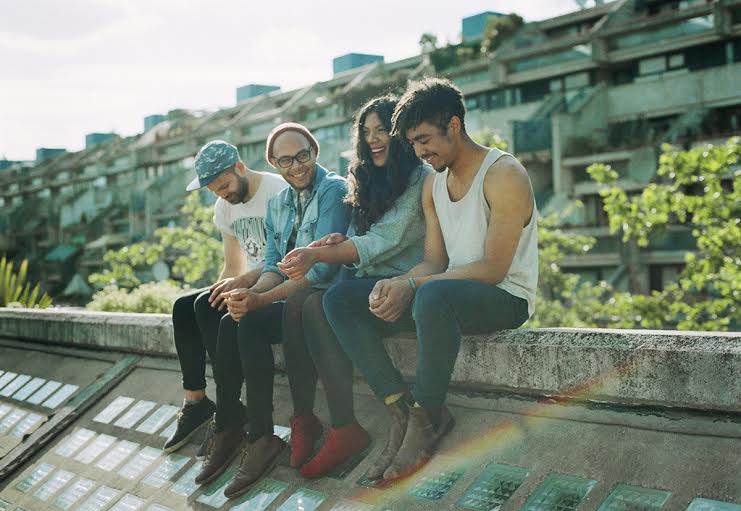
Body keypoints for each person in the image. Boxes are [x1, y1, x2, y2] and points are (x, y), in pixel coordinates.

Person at [323, 78, 539, 481]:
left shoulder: (504, 174)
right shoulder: (434, 182)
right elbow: (433, 262)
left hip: (504, 297)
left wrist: (413, 286)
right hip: (442, 299)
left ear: (453, 125)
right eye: (413, 143)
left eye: (424, 140)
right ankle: (400, 408)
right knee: (340, 299)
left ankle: (429, 416)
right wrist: (398, 284)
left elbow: (494, 268)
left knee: (432, 294)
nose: (420, 151)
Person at [193, 123, 351, 498]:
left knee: (248, 321)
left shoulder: (333, 190)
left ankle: (263, 434)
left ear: (314, 151)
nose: (296, 166)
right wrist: (248, 293)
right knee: (232, 320)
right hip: (289, 297)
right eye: (285, 160)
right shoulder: (279, 204)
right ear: (274, 163)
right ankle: (238, 427)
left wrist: (260, 300)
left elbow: (321, 271)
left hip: (320, 302)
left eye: (302, 155)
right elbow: (272, 266)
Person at [277, 95, 429, 478]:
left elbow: (385, 240)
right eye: (366, 131)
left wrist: (319, 255)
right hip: (369, 281)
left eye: (382, 130)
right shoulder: (366, 176)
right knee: (306, 303)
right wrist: (336, 242)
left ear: (400, 133)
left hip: (406, 284)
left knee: (336, 299)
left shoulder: (420, 177)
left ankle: (400, 408)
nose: (373, 139)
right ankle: (333, 425)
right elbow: (357, 235)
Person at [164, 140, 287, 454]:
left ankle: (229, 408)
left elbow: (285, 262)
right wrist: (217, 293)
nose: (222, 194)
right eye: (215, 190)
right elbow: (233, 267)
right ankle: (196, 402)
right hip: (246, 280)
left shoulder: (277, 191)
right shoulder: (225, 206)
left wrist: (238, 289)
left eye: (224, 186)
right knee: (187, 306)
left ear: (240, 168)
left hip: (275, 283)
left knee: (206, 308)